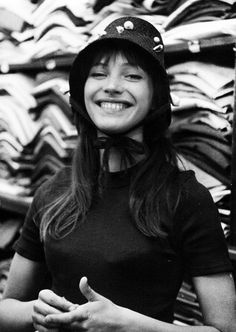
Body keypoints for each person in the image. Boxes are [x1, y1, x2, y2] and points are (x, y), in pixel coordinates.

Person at [0, 15, 236, 332]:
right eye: (98, 74)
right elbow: (6, 310)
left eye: (132, 76)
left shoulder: (186, 198)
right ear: (82, 92)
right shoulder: (54, 191)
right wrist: (36, 313)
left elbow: (225, 329)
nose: (112, 86)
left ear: (156, 96)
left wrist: (129, 325)